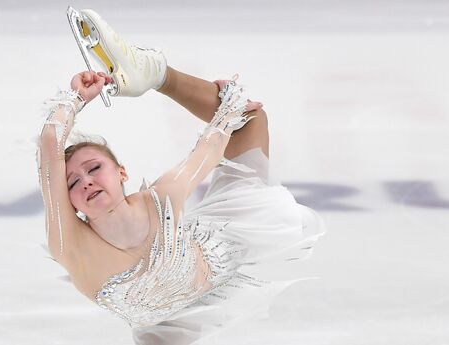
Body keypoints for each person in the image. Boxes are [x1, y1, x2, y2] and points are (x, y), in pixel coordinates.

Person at [37, 9, 326, 345]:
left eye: (94, 168)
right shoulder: (69, 243)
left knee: (250, 119)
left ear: (121, 173)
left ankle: (157, 74)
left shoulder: (158, 199)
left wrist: (224, 107)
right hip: (164, 327)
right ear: (67, 200)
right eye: (72, 182)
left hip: (219, 254)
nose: (85, 181)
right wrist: (75, 98)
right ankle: (156, 75)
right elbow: (49, 146)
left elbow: (210, 145)